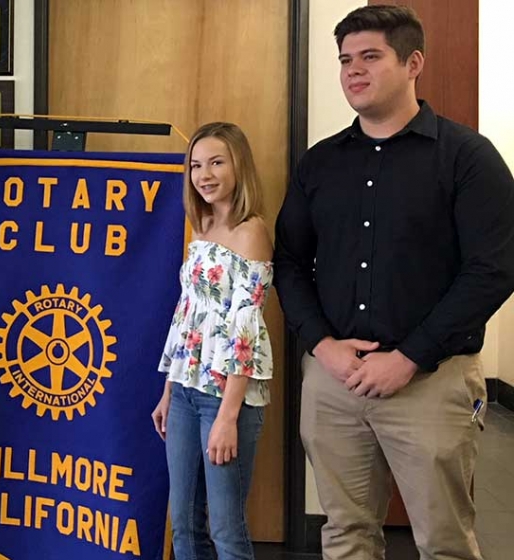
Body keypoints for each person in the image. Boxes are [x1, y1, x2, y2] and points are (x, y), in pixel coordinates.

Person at [274, 6, 514, 559]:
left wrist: (409, 356)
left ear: (413, 63)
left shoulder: (467, 158)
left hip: (431, 382)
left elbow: (492, 270)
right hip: (336, 382)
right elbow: (289, 262)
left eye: (370, 57)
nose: (353, 71)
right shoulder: (320, 163)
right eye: (344, 60)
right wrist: (322, 345)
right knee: (345, 536)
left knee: (446, 542)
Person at [153, 122, 274, 559]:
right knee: (183, 523)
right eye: (196, 165)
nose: (204, 174)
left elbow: (246, 330)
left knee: (226, 528)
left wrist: (227, 416)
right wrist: (168, 390)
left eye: (216, 162)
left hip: (227, 397)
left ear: (238, 166)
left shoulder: (251, 231)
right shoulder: (200, 227)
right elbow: (188, 316)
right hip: (186, 391)